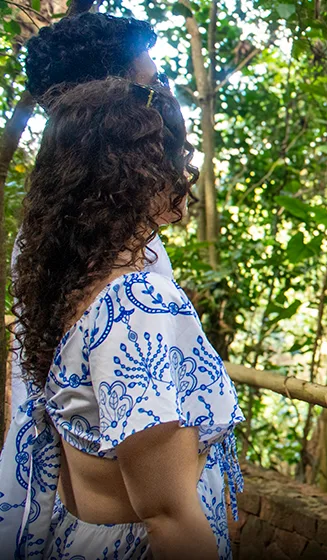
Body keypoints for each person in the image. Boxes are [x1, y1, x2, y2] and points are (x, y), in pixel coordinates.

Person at [0, 79, 243, 559]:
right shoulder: (137, 300)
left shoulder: (70, 280)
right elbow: (167, 516)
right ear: (134, 173)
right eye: (173, 154)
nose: (185, 170)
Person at [5, 11, 175, 422]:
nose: (165, 104)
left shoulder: (59, 223)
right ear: (109, 109)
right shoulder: (112, 263)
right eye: (151, 90)